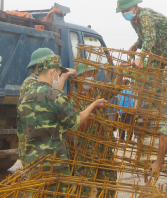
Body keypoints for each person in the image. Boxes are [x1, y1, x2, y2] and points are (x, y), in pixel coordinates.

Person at [17, 55, 106, 179]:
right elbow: (76, 122)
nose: (58, 78)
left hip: (33, 164)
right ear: (53, 72)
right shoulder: (55, 96)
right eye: (59, 74)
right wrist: (94, 105)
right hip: (54, 164)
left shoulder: (23, 99)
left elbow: (21, 134)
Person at [18, 48, 76, 166]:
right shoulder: (31, 82)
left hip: (41, 144)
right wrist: (63, 78)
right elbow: (50, 97)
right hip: (33, 147)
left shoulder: (35, 80)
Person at [70, 63, 117, 197]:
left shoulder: (96, 92)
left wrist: (120, 72)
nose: (92, 78)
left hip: (104, 146)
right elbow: (80, 126)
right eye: (88, 75)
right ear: (79, 77)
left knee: (108, 184)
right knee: (84, 188)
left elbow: (114, 89)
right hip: (86, 149)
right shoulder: (74, 98)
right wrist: (93, 107)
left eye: (92, 75)